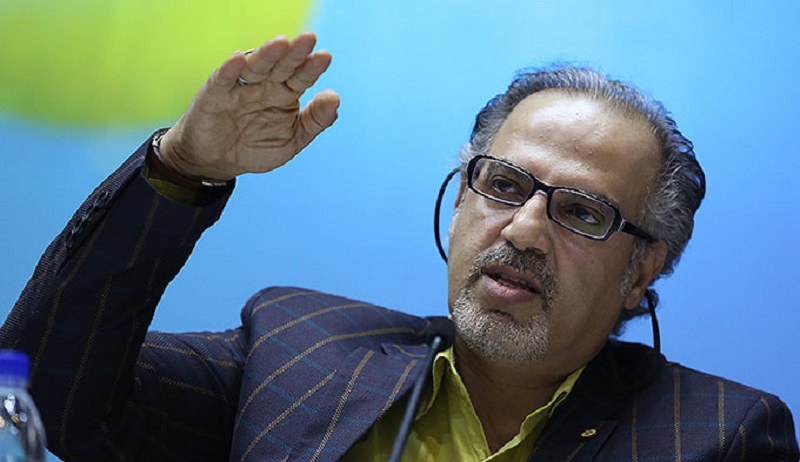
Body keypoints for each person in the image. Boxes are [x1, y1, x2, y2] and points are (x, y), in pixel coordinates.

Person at [1, 32, 797, 462]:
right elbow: (41, 391)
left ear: (642, 268)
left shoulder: (719, 435)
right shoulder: (296, 351)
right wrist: (181, 169)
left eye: (582, 212)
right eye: (503, 185)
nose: (523, 230)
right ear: (460, 203)